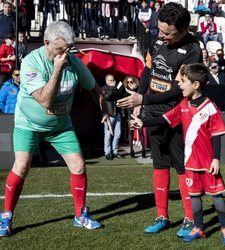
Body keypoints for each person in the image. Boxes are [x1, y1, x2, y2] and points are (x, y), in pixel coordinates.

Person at [0, 21, 112, 237]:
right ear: (46, 43)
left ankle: (80, 216)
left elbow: (94, 89)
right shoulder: (32, 62)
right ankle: (6, 217)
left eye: (69, 48)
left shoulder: (74, 62)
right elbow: (45, 101)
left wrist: (105, 111)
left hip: (60, 126)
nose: (66, 53)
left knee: (79, 165)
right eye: (61, 48)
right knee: (22, 166)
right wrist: (58, 70)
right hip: (28, 125)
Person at [117, 2, 202, 237]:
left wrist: (142, 102)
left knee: (181, 167)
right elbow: (147, 71)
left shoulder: (194, 50)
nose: (161, 36)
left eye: (167, 33)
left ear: (183, 30)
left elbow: (179, 91)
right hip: (152, 112)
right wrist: (139, 97)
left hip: (177, 115)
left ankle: (189, 218)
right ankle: (161, 216)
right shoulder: (157, 41)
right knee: (159, 163)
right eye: (160, 30)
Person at [130, 63, 225, 246]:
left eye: (183, 81)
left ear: (195, 85)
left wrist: (216, 158)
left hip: (208, 163)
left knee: (217, 196)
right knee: (194, 196)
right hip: (190, 163)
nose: (179, 85)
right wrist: (143, 123)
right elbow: (165, 119)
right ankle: (198, 227)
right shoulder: (183, 105)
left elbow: (217, 134)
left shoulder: (210, 107)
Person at [123, 75, 146, 158]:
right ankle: (131, 151)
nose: (129, 83)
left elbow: (142, 96)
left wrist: (135, 89)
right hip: (129, 113)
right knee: (131, 132)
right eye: (127, 82)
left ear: (135, 82)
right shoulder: (125, 90)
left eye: (131, 82)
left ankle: (143, 151)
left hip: (138, 112)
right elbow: (118, 93)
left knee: (140, 132)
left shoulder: (138, 89)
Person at [102, 74, 123, 160]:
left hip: (117, 113)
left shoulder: (115, 89)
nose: (113, 82)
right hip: (109, 114)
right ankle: (107, 152)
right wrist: (112, 88)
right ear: (106, 81)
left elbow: (119, 96)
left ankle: (115, 151)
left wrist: (116, 88)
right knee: (108, 135)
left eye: (113, 80)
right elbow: (107, 97)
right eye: (110, 80)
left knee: (118, 134)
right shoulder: (103, 89)